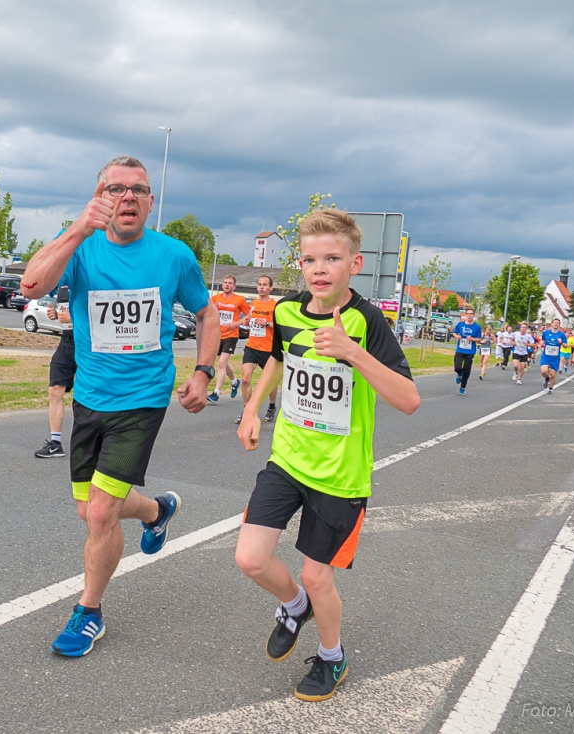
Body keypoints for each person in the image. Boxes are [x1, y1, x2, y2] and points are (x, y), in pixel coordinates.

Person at [20, 155, 220, 657]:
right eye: (115, 189)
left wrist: (203, 370)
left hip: (143, 399)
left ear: (151, 203)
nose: (127, 196)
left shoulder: (174, 255)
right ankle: (157, 510)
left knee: (102, 513)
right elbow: (31, 285)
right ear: (99, 197)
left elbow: (207, 313)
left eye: (138, 190)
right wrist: (76, 229)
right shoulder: (81, 248)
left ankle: (88, 612)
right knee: (88, 509)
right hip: (90, 397)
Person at [234, 209, 420, 702]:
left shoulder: (366, 321)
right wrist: (252, 408)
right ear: (301, 264)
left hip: (340, 475)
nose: (320, 268)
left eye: (333, 258)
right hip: (288, 459)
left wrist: (353, 352)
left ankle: (331, 657)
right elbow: (277, 357)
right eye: (311, 259)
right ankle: (294, 606)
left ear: (354, 263)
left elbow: (408, 399)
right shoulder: (287, 311)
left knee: (319, 575)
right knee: (250, 559)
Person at [35, 287, 75, 458]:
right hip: (66, 341)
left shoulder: (89, 280)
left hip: (87, 343)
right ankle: (55, 443)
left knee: (86, 395)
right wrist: (55, 314)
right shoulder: (63, 287)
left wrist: (73, 318)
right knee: (54, 390)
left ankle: (94, 443)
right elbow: (62, 313)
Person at [237, 275, 280, 424]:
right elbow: (250, 319)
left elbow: (280, 327)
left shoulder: (275, 306)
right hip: (251, 346)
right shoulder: (253, 303)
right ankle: (246, 411)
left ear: (270, 288)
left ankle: (272, 406)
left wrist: (267, 323)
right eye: (260, 284)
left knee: (270, 382)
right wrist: (248, 321)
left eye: (265, 285)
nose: (261, 287)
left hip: (268, 349)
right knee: (245, 379)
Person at [206, 274, 251, 404]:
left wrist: (237, 323)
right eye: (225, 282)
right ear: (222, 285)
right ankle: (235, 382)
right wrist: (214, 310)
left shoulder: (239, 300)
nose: (227, 284)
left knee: (221, 363)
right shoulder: (215, 299)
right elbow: (208, 313)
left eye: (230, 283)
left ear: (234, 286)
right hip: (217, 334)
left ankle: (216, 393)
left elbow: (249, 314)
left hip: (231, 336)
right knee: (223, 362)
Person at [450, 308, 482, 395]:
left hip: (470, 351)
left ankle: (462, 387)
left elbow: (479, 339)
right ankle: (459, 373)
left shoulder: (477, 327)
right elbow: (454, 333)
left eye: (471, 314)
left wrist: (472, 339)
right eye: (468, 314)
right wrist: (457, 337)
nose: (469, 316)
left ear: (474, 315)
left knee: (467, 370)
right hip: (460, 349)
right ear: (465, 315)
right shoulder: (460, 325)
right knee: (457, 367)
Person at [538, 318, 567, 394]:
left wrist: (561, 343)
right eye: (554, 322)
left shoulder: (561, 334)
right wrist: (541, 343)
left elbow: (566, 346)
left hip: (555, 357)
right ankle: (547, 378)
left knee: (553, 374)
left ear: (559, 325)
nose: (556, 324)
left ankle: (550, 388)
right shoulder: (546, 332)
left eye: (557, 323)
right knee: (544, 371)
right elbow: (542, 340)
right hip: (546, 356)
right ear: (551, 324)